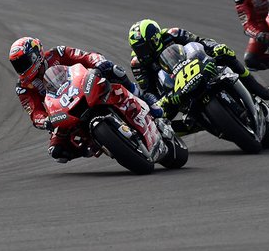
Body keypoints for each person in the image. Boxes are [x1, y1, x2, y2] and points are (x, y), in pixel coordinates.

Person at [10, 37, 162, 163]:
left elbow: (85, 56)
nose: (21, 68)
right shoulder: (23, 87)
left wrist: (98, 63)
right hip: (63, 109)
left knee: (114, 70)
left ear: (36, 55)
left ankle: (143, 98)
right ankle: (96, 143)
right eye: (17, 65)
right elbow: (34, 111)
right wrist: (44, 121)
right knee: (57, 152)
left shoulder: (58, 53)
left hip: (85, 86)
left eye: (23, 62)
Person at [127, 19, 269, 115]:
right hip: (174, 90)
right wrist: (158, 102)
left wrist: (215, 48)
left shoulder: (173, 34)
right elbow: (148, 91)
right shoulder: (137, 63)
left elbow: (201, 42)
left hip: (198, 67)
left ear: (155, 38)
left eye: (144, 47)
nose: (142, 52)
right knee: (157, 114)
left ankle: (256, 87)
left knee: (226, 53)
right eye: (138, 48)